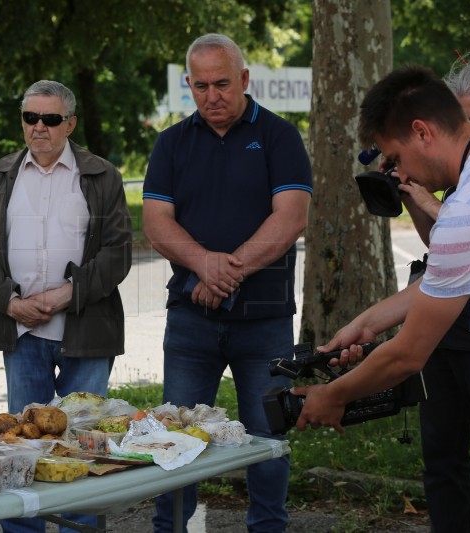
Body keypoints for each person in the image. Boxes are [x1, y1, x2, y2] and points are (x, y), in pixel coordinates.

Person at [143, 33, 312, 533]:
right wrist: (204, 265)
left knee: (268, 441)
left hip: (265, 322)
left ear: (244, 79)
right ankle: (170, 527)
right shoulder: (171, 142)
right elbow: (156, 224)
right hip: (192, 321)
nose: (211, 95)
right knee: (175, 440)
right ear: (188, 87)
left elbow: (291, 219)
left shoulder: (280, 137)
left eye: (221, 83)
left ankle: (267, 527)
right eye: (200, 86)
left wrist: (222, 272)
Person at [294, 66, 470, 532]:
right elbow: (443, 280)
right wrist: (367, 322)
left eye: (395, 159)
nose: (398, 175)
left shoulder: (463, 212)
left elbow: (408, 355)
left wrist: (333, 395)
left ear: (422, 132)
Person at [0, 79, 132, 532]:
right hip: (21, 334)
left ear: (70, 123)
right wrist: (11, 303)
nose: (39, 127)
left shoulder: (101, 175)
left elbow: (118, 252)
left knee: (83, 448)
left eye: (51, 119)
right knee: (22, 451)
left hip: (87, 331)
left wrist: (65, 295)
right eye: (30, 117)